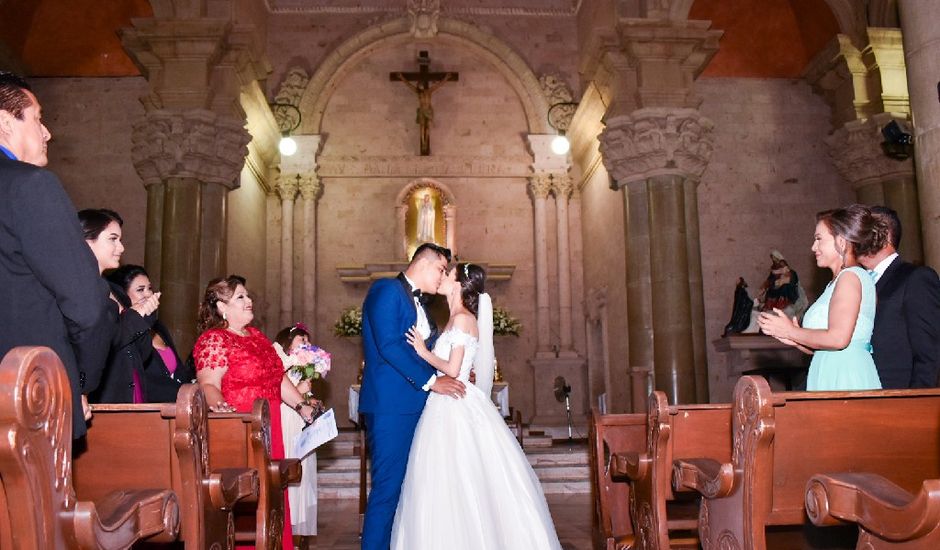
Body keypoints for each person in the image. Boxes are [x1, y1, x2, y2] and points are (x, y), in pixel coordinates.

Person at [392, 263, 562, 549]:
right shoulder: (453, 318)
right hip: (446, 402)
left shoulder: (461, 318)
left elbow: (454, 368)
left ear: (459, 284)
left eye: (448, 274)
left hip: (453, 406)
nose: (442, 277)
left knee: (457, 478)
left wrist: (421, 351)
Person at [0, 71, 112, 438]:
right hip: (29, 396)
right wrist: (77, 380)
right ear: (5, 122)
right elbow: (86, 304)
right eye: (37, 118)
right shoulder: (30, 186)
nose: (47, 132)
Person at [192, 275, 319, 550]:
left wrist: (301, 405)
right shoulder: (214, 340)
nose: (249, 301)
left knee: (273, 495)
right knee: (250, 498)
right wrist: (220, 408)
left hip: (271, 424)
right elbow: (209, 385)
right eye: (240, 297)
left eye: (248, 296)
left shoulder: (258, 337)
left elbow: (278, 378)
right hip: (242, 427)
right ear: (221, 307)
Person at [358, 242, 467, 550]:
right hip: (392, 406)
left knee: (411, 488)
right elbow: (389, 345)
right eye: (441, 269)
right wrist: (433, 381)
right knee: (388, 489)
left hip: (416, 405)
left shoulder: (423, 305)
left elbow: (425, 351)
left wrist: (451, 369)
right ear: (423, 262)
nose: (442, 276)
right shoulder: (387, 290)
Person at [759, 205, 884, 390]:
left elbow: (838, 339)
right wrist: (794, 338)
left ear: (841, 242)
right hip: (829, 369)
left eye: (819, 239)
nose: (813, 247)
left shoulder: (850, 277)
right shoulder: (836, 282)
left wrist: (791, 331)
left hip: (846, 376)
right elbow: (826, 348)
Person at [78, 209, 160, 404]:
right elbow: (100, 343)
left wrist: (145, 316)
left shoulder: (116, 292)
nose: (121, 248)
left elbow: (141, 353)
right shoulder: (78, 289)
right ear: (87, 242)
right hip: (101, 393)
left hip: (132, 386)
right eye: (113, 239)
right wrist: (134, 315)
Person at [857, 206, 940, 388]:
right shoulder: (856, 282)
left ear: (884, 235)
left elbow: (929, 352)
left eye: (862, 231)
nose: (854, 237)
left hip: (897, 395)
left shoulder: (916, 278)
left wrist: (916, 403)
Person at [106, 264, 195, 401]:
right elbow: (148, 380)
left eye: (150, 288)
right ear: (124, 295)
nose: (148, 294)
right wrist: (182, 394)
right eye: (140, 290)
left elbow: (180, 372)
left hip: (176, 405)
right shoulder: (122, 330)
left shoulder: (158, 327)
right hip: (150, 408)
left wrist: (192, 391)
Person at [273, 323, 322, 548]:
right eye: (302, 340)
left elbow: (304, 392)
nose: (307, 345)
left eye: (308, 341)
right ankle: (285, 527)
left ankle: (296, 534)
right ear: (288, 339)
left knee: (303, 472)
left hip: (299, 418)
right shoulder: (278, 355)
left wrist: (309, 397)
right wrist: (300, 392)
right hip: (285, 417)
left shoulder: (304, 364)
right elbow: (277, 387)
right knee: (290, 466)